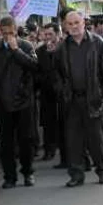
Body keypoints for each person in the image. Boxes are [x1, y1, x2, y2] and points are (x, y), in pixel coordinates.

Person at [54, 11, 103, 187]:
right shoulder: (62, 48)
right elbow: (55, 74)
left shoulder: (98, 44)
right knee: (73, 141)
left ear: (84, 23)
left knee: (97, 139)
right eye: (70, 24)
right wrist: (62, 91)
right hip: (72, 100)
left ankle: (102, 171)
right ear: (65, 26)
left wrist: (102, 92)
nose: (74, 26)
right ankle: (76, 174)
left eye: (77, 23)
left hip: (94, 100)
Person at [0, 17, 38, 189]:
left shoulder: (26, 46)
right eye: (4, 33)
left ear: (16, 31)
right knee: (7, 142)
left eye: (10, 33)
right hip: (3, 102)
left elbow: (34, 66)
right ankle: (10, 176)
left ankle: (28, 172)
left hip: (23, 101)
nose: (8, 36)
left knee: (26, 139)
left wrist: (16, 51)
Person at [36, 23, 66, 165]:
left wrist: (54, 54)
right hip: (46, 92)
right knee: (48, 123)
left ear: (57, 35)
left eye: (50, 34)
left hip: (62, 92)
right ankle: (49, 150)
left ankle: (65, 155)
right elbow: (38, 71)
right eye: (45, 35)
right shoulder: (40, 51)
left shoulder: (63, 49)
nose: (48, 38)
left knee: (64, 123)